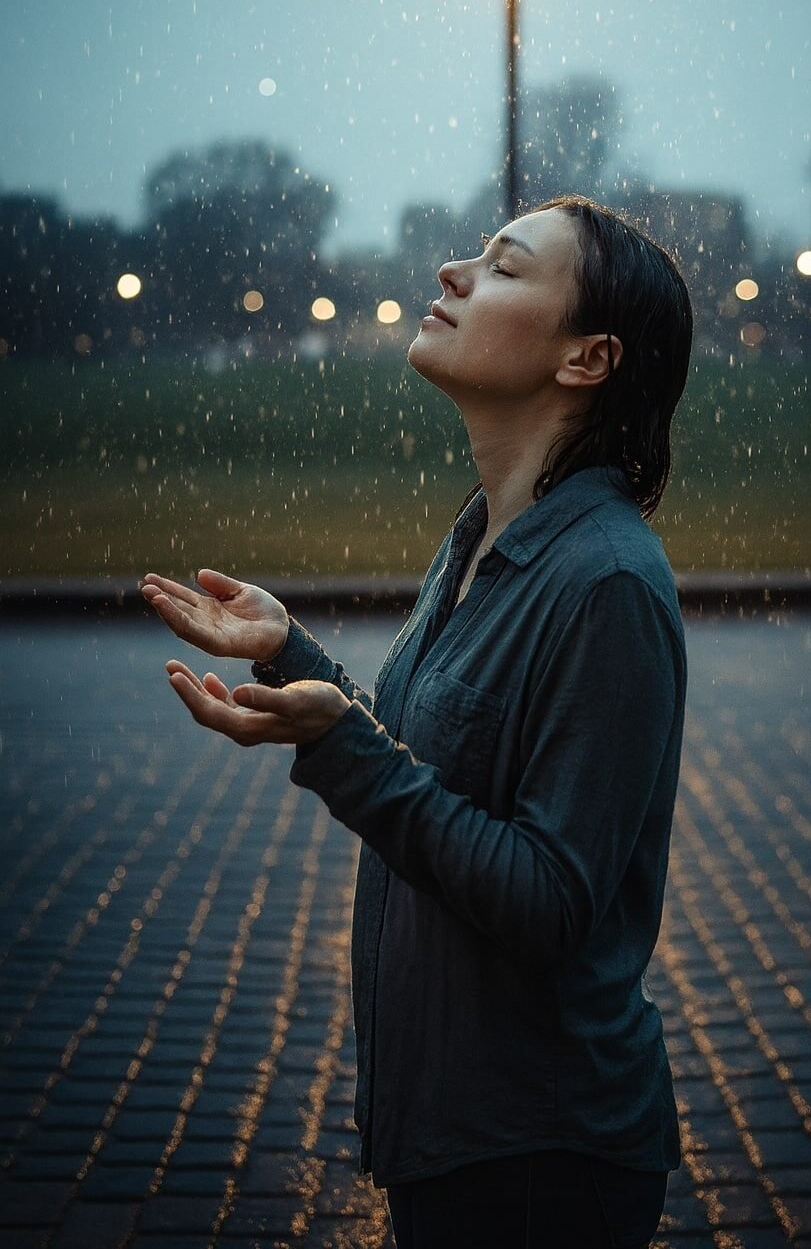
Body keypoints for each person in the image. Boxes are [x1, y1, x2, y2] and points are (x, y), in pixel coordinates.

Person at [142, 195, 694, 1249]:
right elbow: (433, 755)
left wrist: (336, 744)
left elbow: (549, 899)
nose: (450, 271)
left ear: (588, 358)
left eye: (502, 266)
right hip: (453, 1135)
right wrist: (290, 657)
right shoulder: (485, 533)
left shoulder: (607, 582)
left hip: (540, 1162)